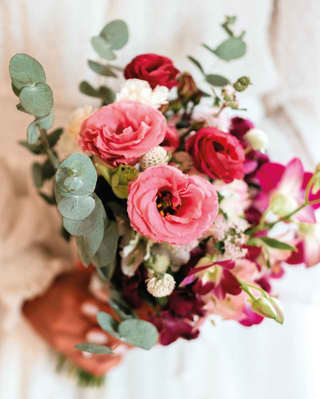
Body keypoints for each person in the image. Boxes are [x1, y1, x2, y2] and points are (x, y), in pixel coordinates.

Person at [1, 1, 320, 398]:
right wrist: (24, 276)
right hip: (31, 276)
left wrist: (223, 221)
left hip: (216, 292)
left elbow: (311, 106)